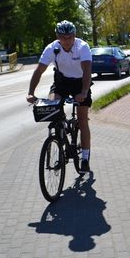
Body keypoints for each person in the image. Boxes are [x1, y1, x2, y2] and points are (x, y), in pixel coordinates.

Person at [26, 20, 93, 173]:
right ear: (57, 37)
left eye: (69, 37)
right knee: (52, 105)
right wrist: (31, 92)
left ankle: (84, 158)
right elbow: (39, 70)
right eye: (63, 37)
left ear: (74, 36)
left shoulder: (82, 47)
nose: (66, 40)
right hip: (62, 81)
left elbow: (87, 70)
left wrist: (83, 92)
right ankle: (59, 133)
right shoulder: (52, 48)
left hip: (81, 82)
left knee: (83, 120)